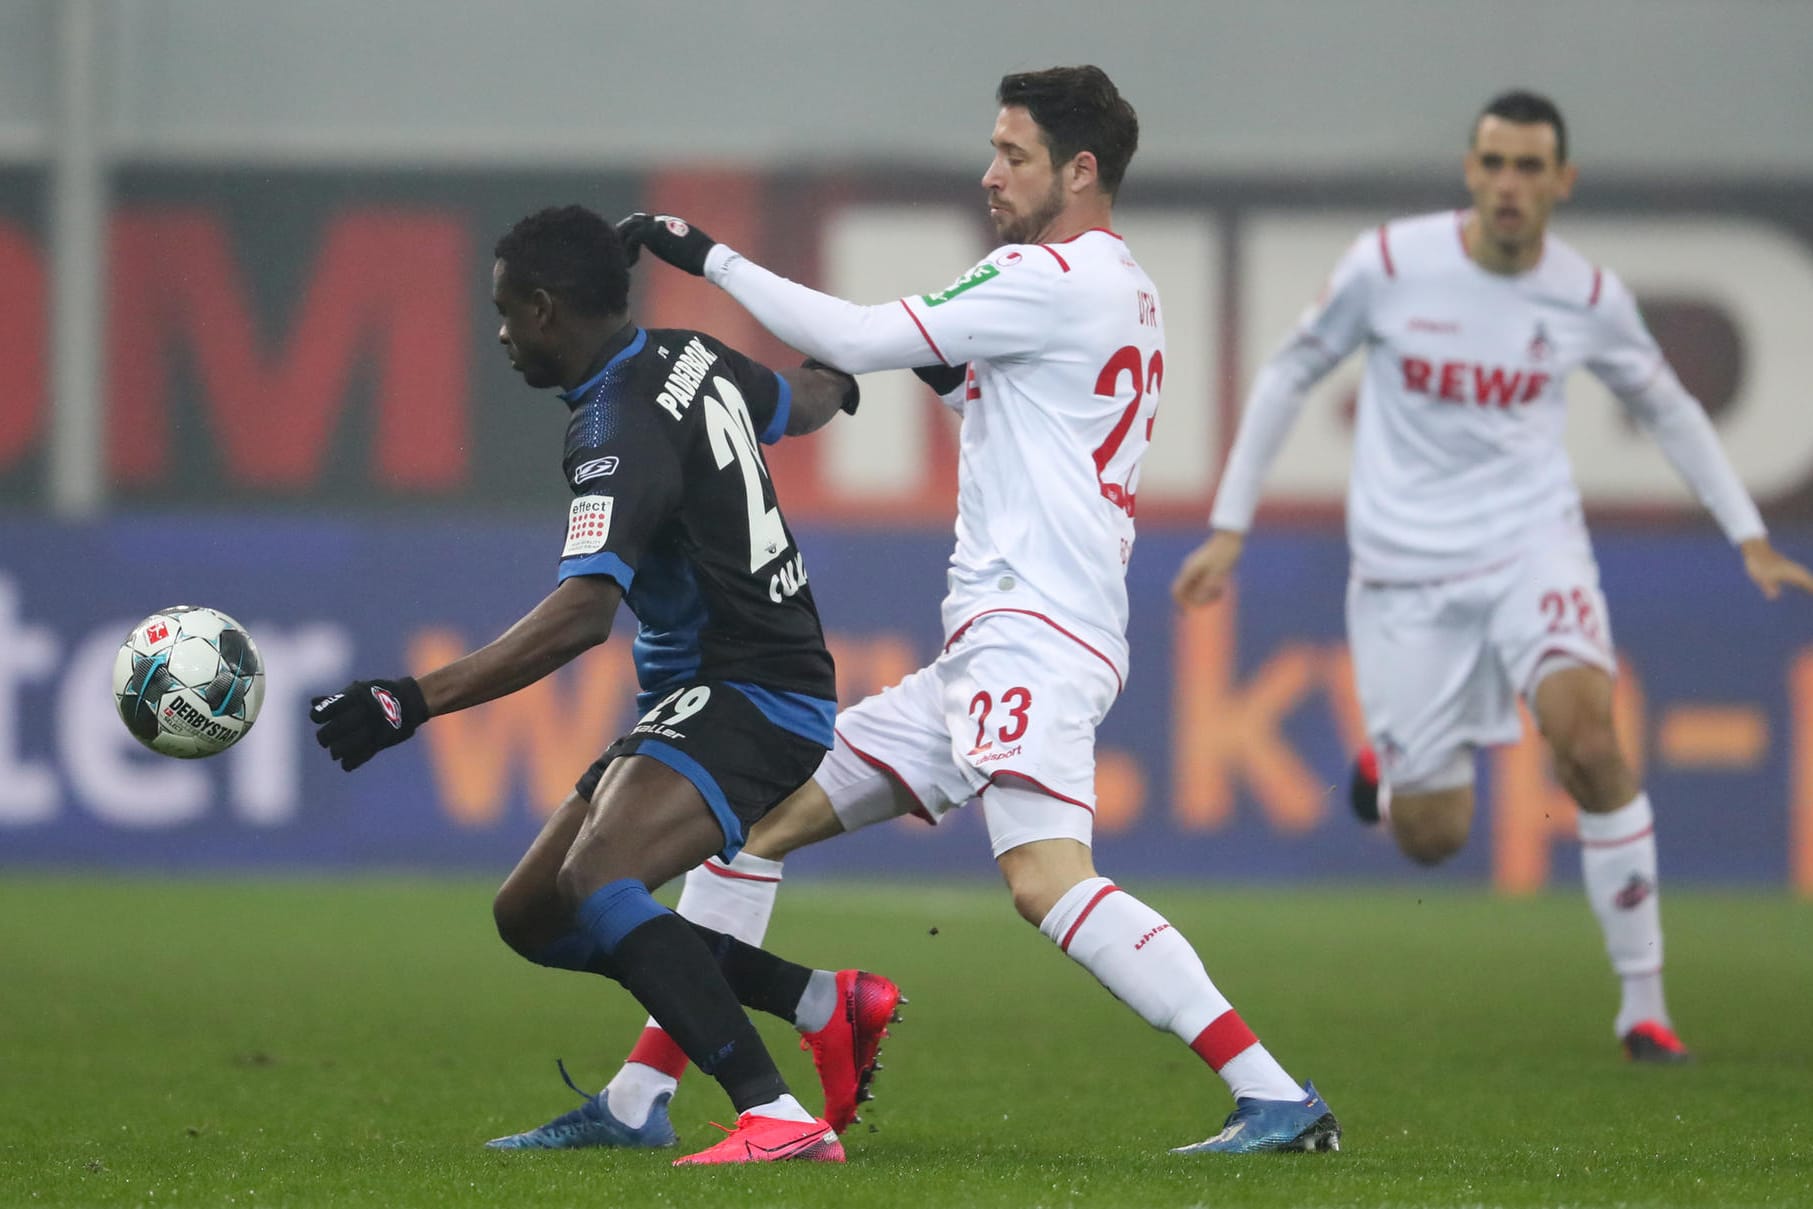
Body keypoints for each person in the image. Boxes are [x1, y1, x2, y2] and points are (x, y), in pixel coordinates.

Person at [534, 64, 1340, 1157]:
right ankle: (641, 1100)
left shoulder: (1054, 275)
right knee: (753, 822)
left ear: (1081, 168)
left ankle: (1275, 1095)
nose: (990, 172)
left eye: (1013, 153)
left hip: (1036, 637)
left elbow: (864, 334)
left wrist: (704, 254)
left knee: (1047, 880)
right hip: (998, 649)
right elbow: (976, 392)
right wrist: (918, 364)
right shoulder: (1119, 289)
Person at [1172, 90, 1813, 1064]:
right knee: (1432, 836)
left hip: (1531, 549)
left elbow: (1674, 407)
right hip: (1403, 573)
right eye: (1494, 165)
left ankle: (1643, 1005)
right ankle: (1389, 776)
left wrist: (1747, 534)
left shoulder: (1585, 296)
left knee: (1589, 740)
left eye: (1529, 168)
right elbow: (1288, 374)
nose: (1509, 185)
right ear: (1472, 172)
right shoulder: (1390, 266)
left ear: (1561, 181)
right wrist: (1228, 527)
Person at [308, 204, 901, 1166]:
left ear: (546, 309)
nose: (499, 333)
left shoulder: (614, 425)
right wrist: (848, 374)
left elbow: (582, 616)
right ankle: (820, 1001)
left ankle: (775, 1116)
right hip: (718, 688)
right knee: (533, 912)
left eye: (505, 311)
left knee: (599, 878)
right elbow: (797, 399)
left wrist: (405, 700)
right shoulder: (689, 357)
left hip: (753, 688)